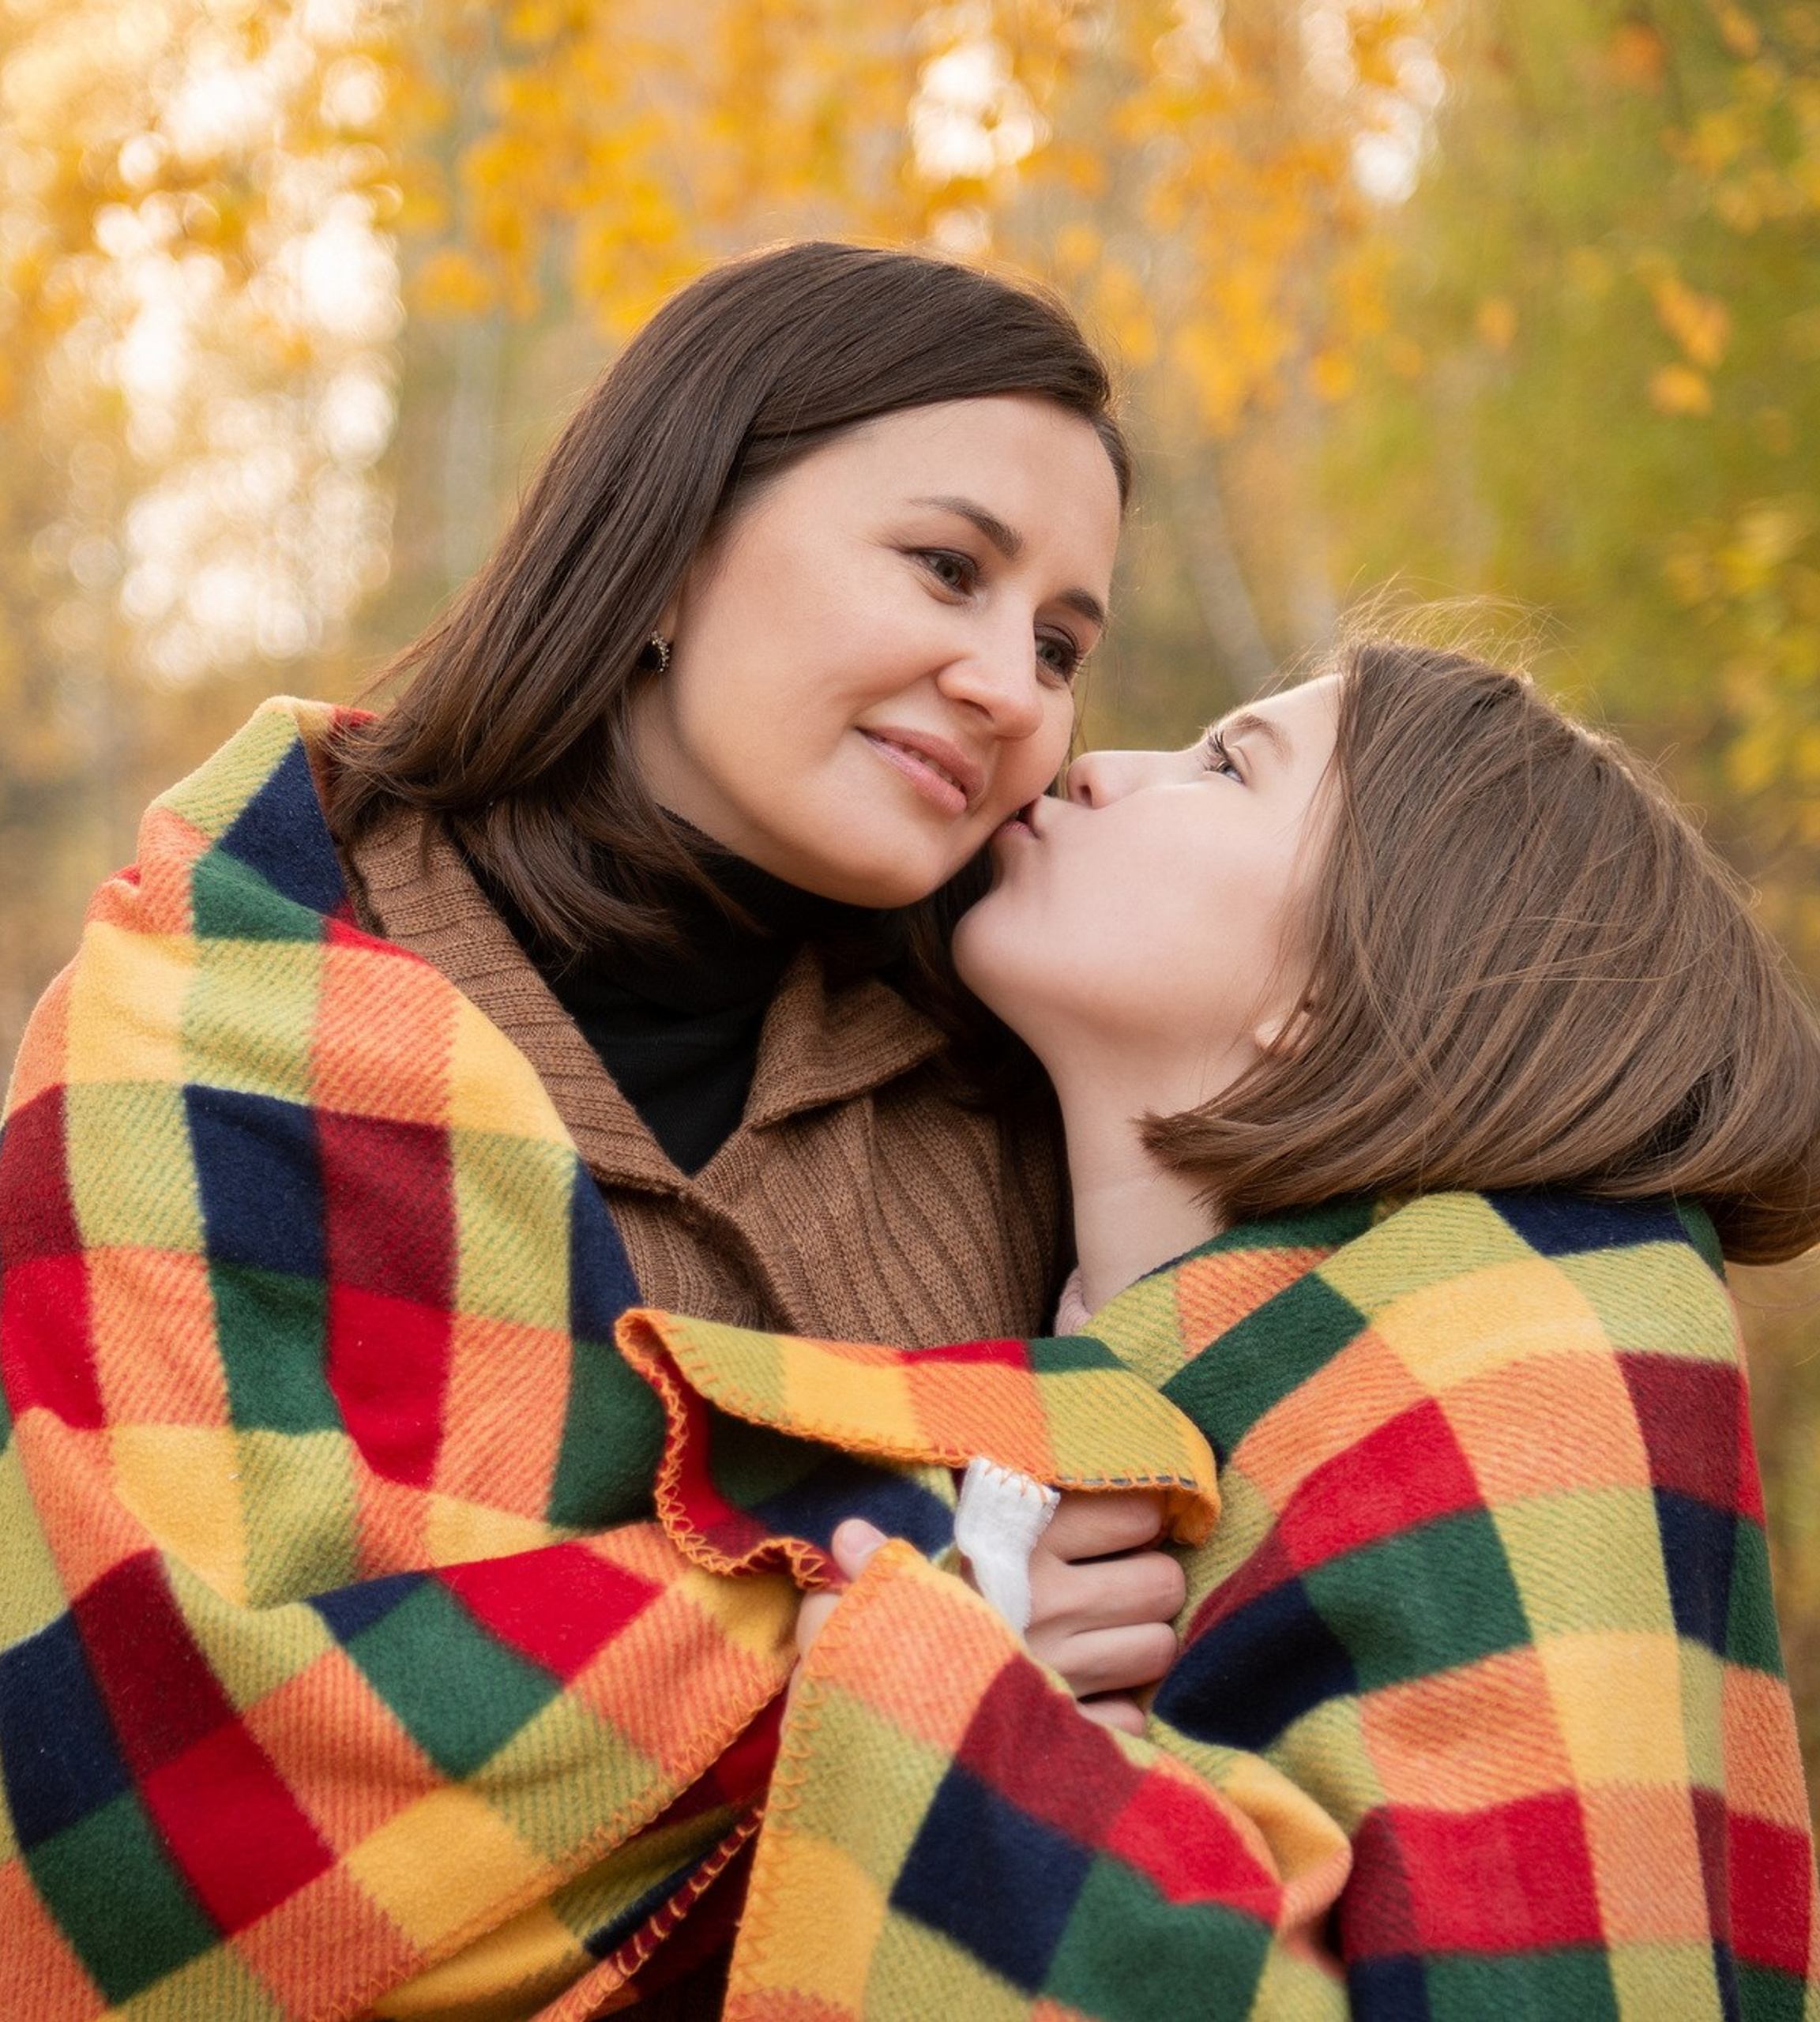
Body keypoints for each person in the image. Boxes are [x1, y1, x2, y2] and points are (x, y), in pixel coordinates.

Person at [0, 242, 1203, 2022]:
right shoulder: (211, 1013)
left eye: (1056, 644)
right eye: (946, 567)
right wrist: (918, 1626)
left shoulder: (1003, 1098)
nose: (1007, 686)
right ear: (667, 539)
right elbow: (147, 1791)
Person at [769, 636, 1820, 2017]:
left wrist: (930, 1714)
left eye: (1224, 767)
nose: (1092, 764)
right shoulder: (950, 1314)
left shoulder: (1526, 1376)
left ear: (1339, 988)